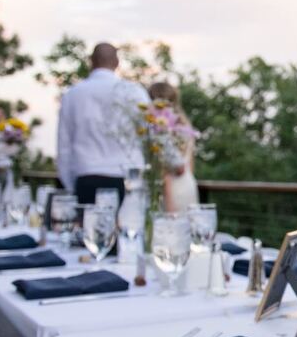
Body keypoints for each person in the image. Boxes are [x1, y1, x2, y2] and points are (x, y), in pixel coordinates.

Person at [56, 43, 149, 203]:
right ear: (117, 62)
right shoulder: (135, 92)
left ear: (91, 61)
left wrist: (71, 185)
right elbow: (148, 132)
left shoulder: (73, 94)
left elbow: (64, 145)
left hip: (87, 175)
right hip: (128, 177)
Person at [147, 81, 199, 213]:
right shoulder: (185, 127)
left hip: (169, 189)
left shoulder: (160, 129)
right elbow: (190, 166)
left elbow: (172, 170)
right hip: (187, 184)